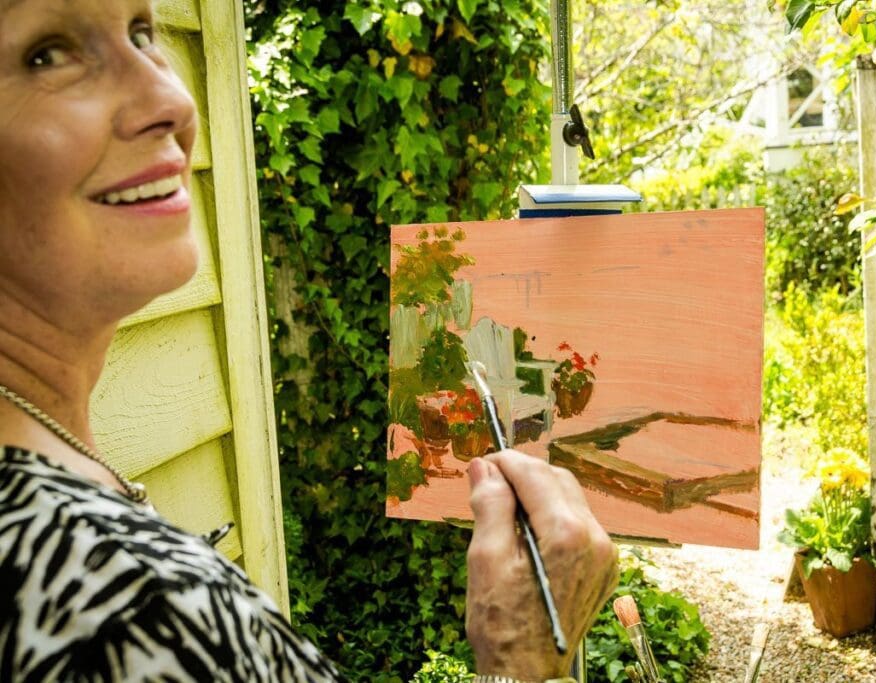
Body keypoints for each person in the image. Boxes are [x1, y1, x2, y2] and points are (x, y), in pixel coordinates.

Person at [0, 0, 619, 681]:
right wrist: (522, 659)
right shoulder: (129, 610)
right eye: (47, 53)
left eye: (143, 31)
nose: (171, 100)